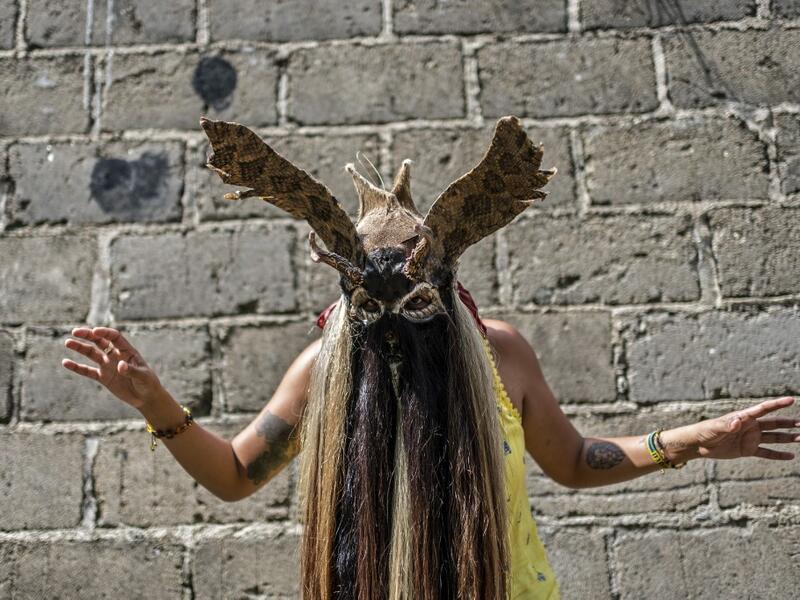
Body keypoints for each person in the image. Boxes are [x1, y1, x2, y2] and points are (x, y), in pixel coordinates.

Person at [62, 116, 799, 600]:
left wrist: (700, 441)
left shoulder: (500, 354)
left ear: (446, 281)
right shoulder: (325, 368)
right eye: (372, 297)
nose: (393, 318)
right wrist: (157, 407)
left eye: (412, 297)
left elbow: (573, 461)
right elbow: (232, 475)